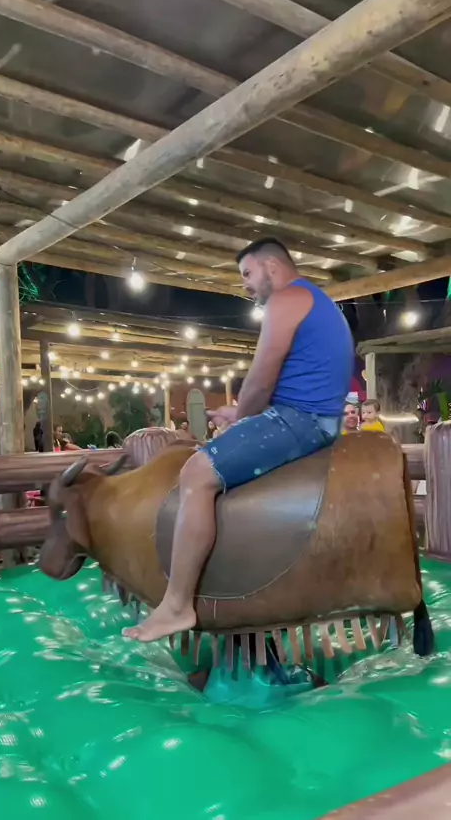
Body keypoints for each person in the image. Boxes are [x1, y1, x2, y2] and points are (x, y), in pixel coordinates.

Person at [124, 237, 353, 643]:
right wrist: (239, 412)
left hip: (299, 420)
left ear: (271, 266)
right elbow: (280, 384)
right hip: (307, 416)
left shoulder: (286, 298)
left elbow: (262, 376)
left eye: (247, 273)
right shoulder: (316, 300)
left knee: (196, 472)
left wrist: (245, 414)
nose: (244, 284)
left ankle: (177, 606)